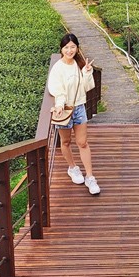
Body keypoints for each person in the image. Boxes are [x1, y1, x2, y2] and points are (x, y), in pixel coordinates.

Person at [46, 32, 101, 195]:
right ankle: (72, 168)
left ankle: (90, 177)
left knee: (83, 142)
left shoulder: (79, 64)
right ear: (61, 49)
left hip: (79, 108)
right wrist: (60, 105)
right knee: (66, 141)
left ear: (77, 48)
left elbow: (86, 87)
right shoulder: (58, 68)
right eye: (66, 47)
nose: (69, 50)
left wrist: (87, 72)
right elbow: (57, 90)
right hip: (64, 110)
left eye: (73, 47)